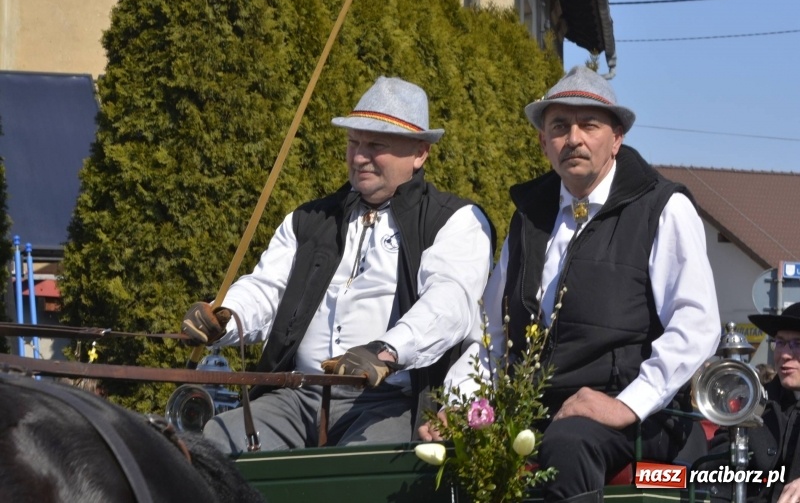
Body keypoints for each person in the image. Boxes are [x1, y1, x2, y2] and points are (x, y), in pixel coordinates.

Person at [419, 66, 721, 503]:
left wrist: (627, 403)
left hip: (640, 415)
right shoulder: (529, 217)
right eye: (559, 126)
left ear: (616, 138)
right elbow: (491, 336)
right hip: (537, 408)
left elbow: (697, 326)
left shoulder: (664, 207)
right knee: (446, 446)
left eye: (589, 125)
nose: (574, 138)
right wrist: (462, 404)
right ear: (544, 142)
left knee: (566, 445)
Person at [181, 76, 494, 454]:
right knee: (216, 443)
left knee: (361, 470)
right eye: (353, 142)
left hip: (385, 404)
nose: (360, 156)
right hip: (295, 396)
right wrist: (228, 315)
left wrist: (386, 351)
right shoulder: (310, 218)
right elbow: (267, 287)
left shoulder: (455, 220)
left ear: (420, 152)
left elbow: (449, 305)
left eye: (375, 144)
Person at [704, 302, 800, 503]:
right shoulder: (751, 403)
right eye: (780, 342)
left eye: (797, 344)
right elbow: (716, 470)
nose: (784, 354)